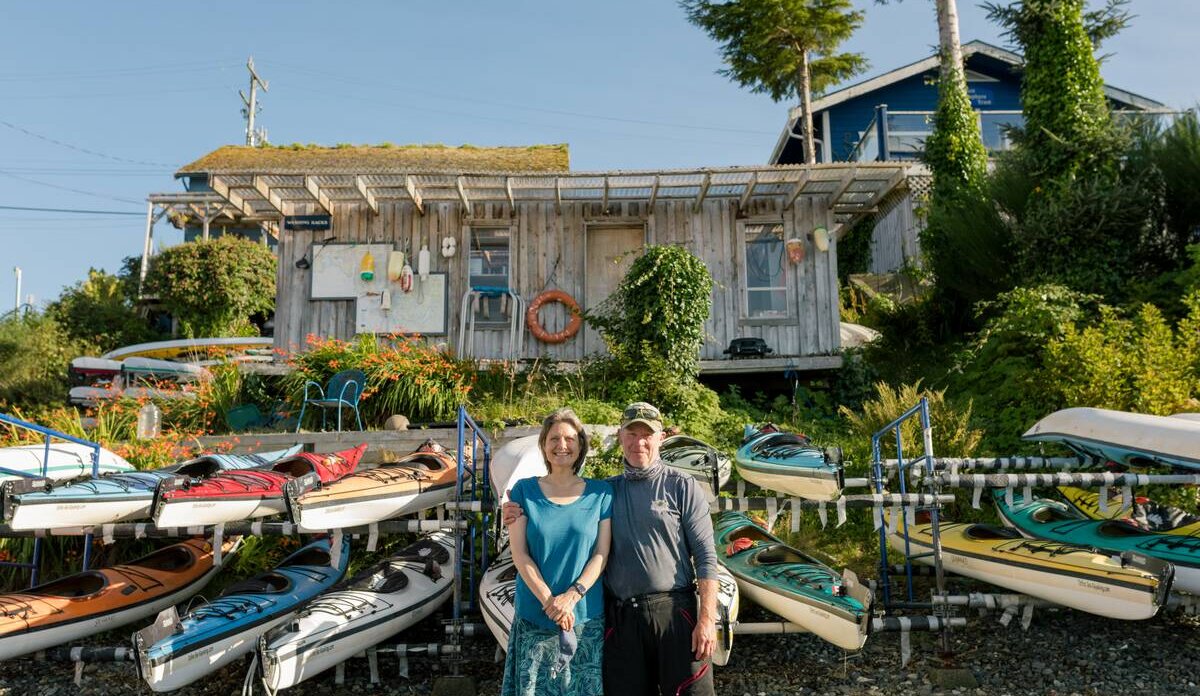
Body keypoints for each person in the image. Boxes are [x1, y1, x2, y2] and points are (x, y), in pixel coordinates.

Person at [506, 401, 718, 696]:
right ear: (620, 436)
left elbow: (707, 556)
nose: (638, 443)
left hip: (674, 613)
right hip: (622, 619)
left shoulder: (682, 485)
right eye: (631, 434)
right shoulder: (605, 490)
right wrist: (509, 512)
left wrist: (707, 619)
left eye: (647, 434)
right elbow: (559, 519)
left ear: (661, 438)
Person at [502, 408, 613, 696]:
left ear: (581, 445)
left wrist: (572, 596)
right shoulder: (523, 492)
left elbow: (601, 553)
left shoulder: (601, 493)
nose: (561, 445)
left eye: (569, 438)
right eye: (554, 438)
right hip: (536, 614)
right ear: (543, 444)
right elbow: (520, 555)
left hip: (585, 617)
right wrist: (551, 602)